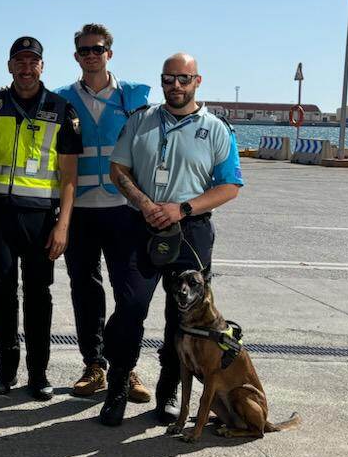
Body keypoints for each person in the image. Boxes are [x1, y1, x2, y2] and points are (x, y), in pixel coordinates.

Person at [101, 52, 243, 426]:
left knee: (181, 315)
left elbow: (229, 186)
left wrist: (183, 208)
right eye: (168, 79)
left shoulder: (216, 128)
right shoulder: (141, 120)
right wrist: (145, 203)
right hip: (140, 224)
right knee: (131, 306)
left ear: (198, 81)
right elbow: (118, 169)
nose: (175, 85)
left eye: (183, 78)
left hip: (190, 230)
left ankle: (167, 393)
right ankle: (118, 386)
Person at [0, 37, 81, 400]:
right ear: (10, 66)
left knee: (38, 296)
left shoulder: (61, 109)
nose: (26, 68)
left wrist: (63, 225)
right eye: (20, 61)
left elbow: (70, 176)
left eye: (33, 62)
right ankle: (6, 369)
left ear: (42, 67)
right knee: (0, 293)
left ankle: (38, 373)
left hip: (41, 219)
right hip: (0, 215)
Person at [52, 24, 152, 403]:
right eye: (84, 50)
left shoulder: (135, 96)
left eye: (97, 49)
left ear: (109, 53)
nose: (91, 55)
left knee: (131, 295)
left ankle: (125, 366)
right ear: (75, 56)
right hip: (79, 210)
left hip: (124, 209)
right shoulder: (61, 98)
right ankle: (94, 364)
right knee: (85, 290)